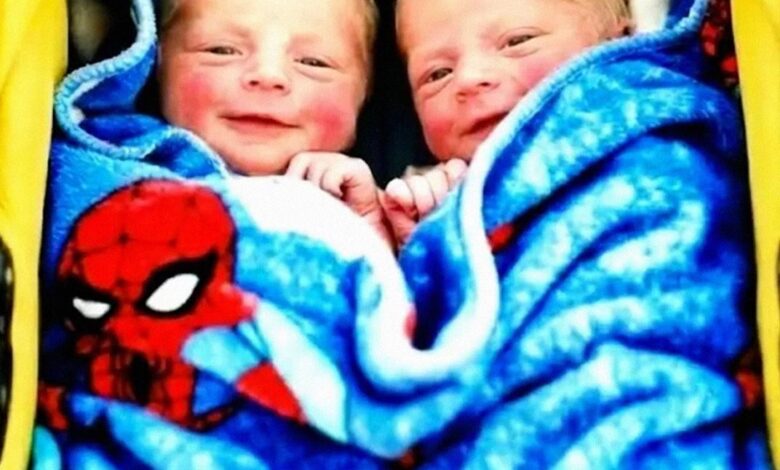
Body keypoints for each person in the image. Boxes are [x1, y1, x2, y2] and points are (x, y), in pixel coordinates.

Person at [155, 0, 393, 243]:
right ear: (157, 62)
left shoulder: (383, 211)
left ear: (365, 93)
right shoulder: (132, 170)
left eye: (313, 63)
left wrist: (372, 231)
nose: (267, 75)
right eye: (221, 50)